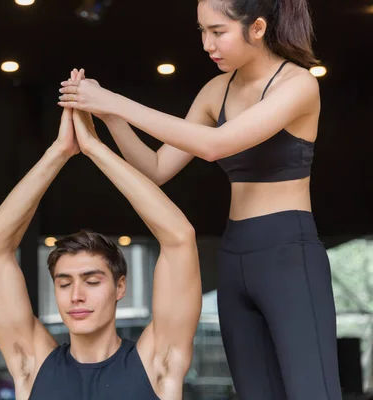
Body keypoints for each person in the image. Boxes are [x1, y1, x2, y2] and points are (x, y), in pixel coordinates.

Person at [57, 0, 341, 398]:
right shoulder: (215, 91)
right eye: (202, 32)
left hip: (288, 253)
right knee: (254, 392)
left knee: (313, 392)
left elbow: (215, 145)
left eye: (218, 31)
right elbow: (156, 168)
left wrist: (115, 102)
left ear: (257, 28)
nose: (208, 43)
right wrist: (108, 116)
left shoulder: (297, 84)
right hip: (235, 253)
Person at [0, 71, 202, 399]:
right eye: (64, 283)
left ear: (119, 286)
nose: (76, 295)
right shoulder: (33, 366)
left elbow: (179, 237)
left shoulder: (157, 363)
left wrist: (95, 148)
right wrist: (60, 151)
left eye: (92, 281)